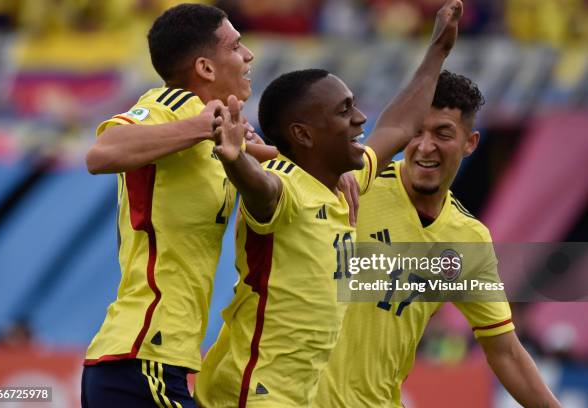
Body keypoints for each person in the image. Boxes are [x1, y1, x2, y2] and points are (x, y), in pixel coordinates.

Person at [194, 1, 464, 406]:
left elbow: (398, 125)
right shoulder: (287, 187)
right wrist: (236, 162)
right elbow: (262, 191)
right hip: (251, 392)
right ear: (303, 134)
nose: (360, 118)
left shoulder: (344, 182)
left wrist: (438, 51)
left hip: (293, 395)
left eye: (353, 105)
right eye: (343, 111)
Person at [313, 71, 562, 407]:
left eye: (442, 134)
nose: (425, 146)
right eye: (416, 132)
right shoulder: (353, 185)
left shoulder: (467, 239)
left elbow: (504, 351)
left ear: (470, 142)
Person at [81, 4, 275, 407]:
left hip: (155, 359)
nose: (249, 55)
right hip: (140, 358)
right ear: (205, 67)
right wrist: (204, 126)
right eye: (237, 46)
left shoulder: (222, 126)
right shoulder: (171, 104)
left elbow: (274, 161)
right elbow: (101, 153)